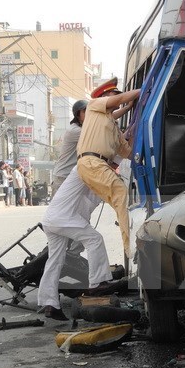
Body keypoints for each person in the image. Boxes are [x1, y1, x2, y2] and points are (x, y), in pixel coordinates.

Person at [37, 166, 116, 320]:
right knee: (95, 240)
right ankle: (97, 282)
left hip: (51, 220)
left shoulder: (90, 178)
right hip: (63, 218)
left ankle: (49, 304)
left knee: (55, 261)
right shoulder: (83, 168)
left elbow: (84, 215)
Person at [77, 77, 139, 258]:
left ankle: (131, 243)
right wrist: (143, 90)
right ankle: (129, 248)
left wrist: (134, 131)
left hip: (97, 165)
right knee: (121, 194)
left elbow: (128, 152)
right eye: (113, 94)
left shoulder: (112, 126)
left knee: (122, 202)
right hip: (92, 162)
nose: (117, 96)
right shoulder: (94, 105)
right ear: (104, 96)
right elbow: (119, 101)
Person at [52, 99, 88, 196]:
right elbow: (98, 132)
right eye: (85, 111)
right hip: (64, 177)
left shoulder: (81, 128)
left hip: (72, 176)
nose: (89, 114)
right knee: (61, 206)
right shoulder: (75, 130)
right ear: (78, 115)